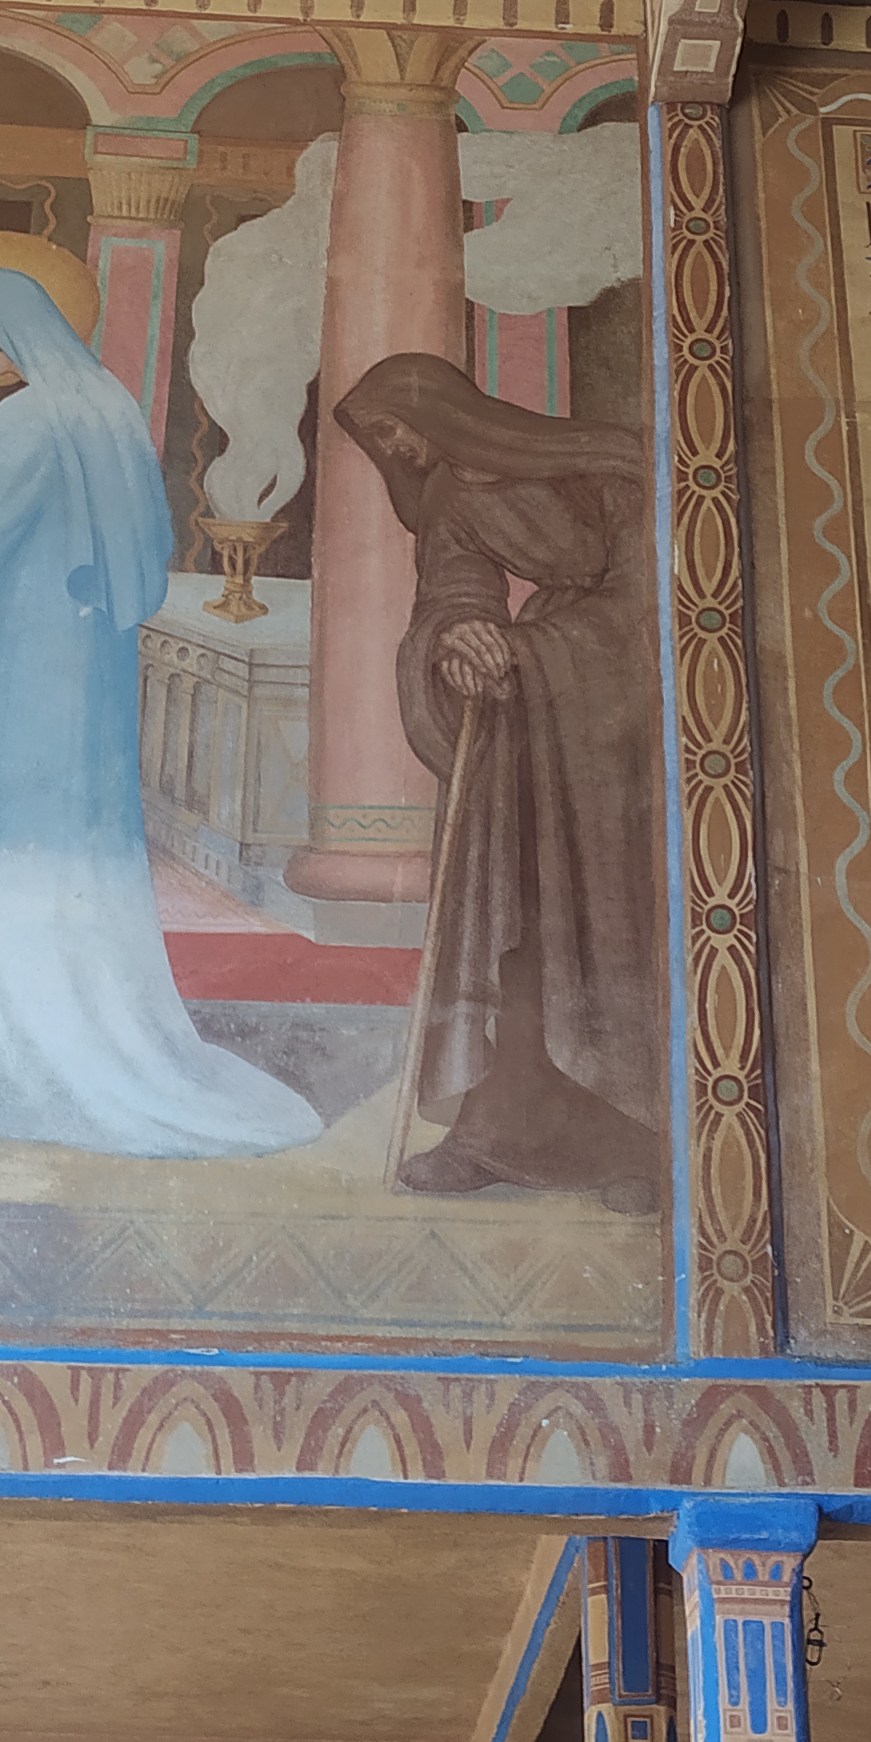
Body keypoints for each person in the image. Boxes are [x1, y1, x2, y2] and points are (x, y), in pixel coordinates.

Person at [0, 258, 318, 1154]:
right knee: (69, 854)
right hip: (89, 664)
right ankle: (36, 1055)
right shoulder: (106, 405)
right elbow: (136, 550)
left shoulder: (28, 418)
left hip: (25, 660)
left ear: (9, 329)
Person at [327, 351, 664, 1212]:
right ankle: (494, 1132)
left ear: (440, 412)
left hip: (622, 711)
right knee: (514, 914)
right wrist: (462, 638)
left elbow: (651, 594)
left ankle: (636, 1144)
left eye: (394, 427)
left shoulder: (605, 465)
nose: (394, 447)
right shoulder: (449, 496)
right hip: (531, 706)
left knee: (613, 920)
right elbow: (454, 589)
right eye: (378, 439)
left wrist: (533, 650)